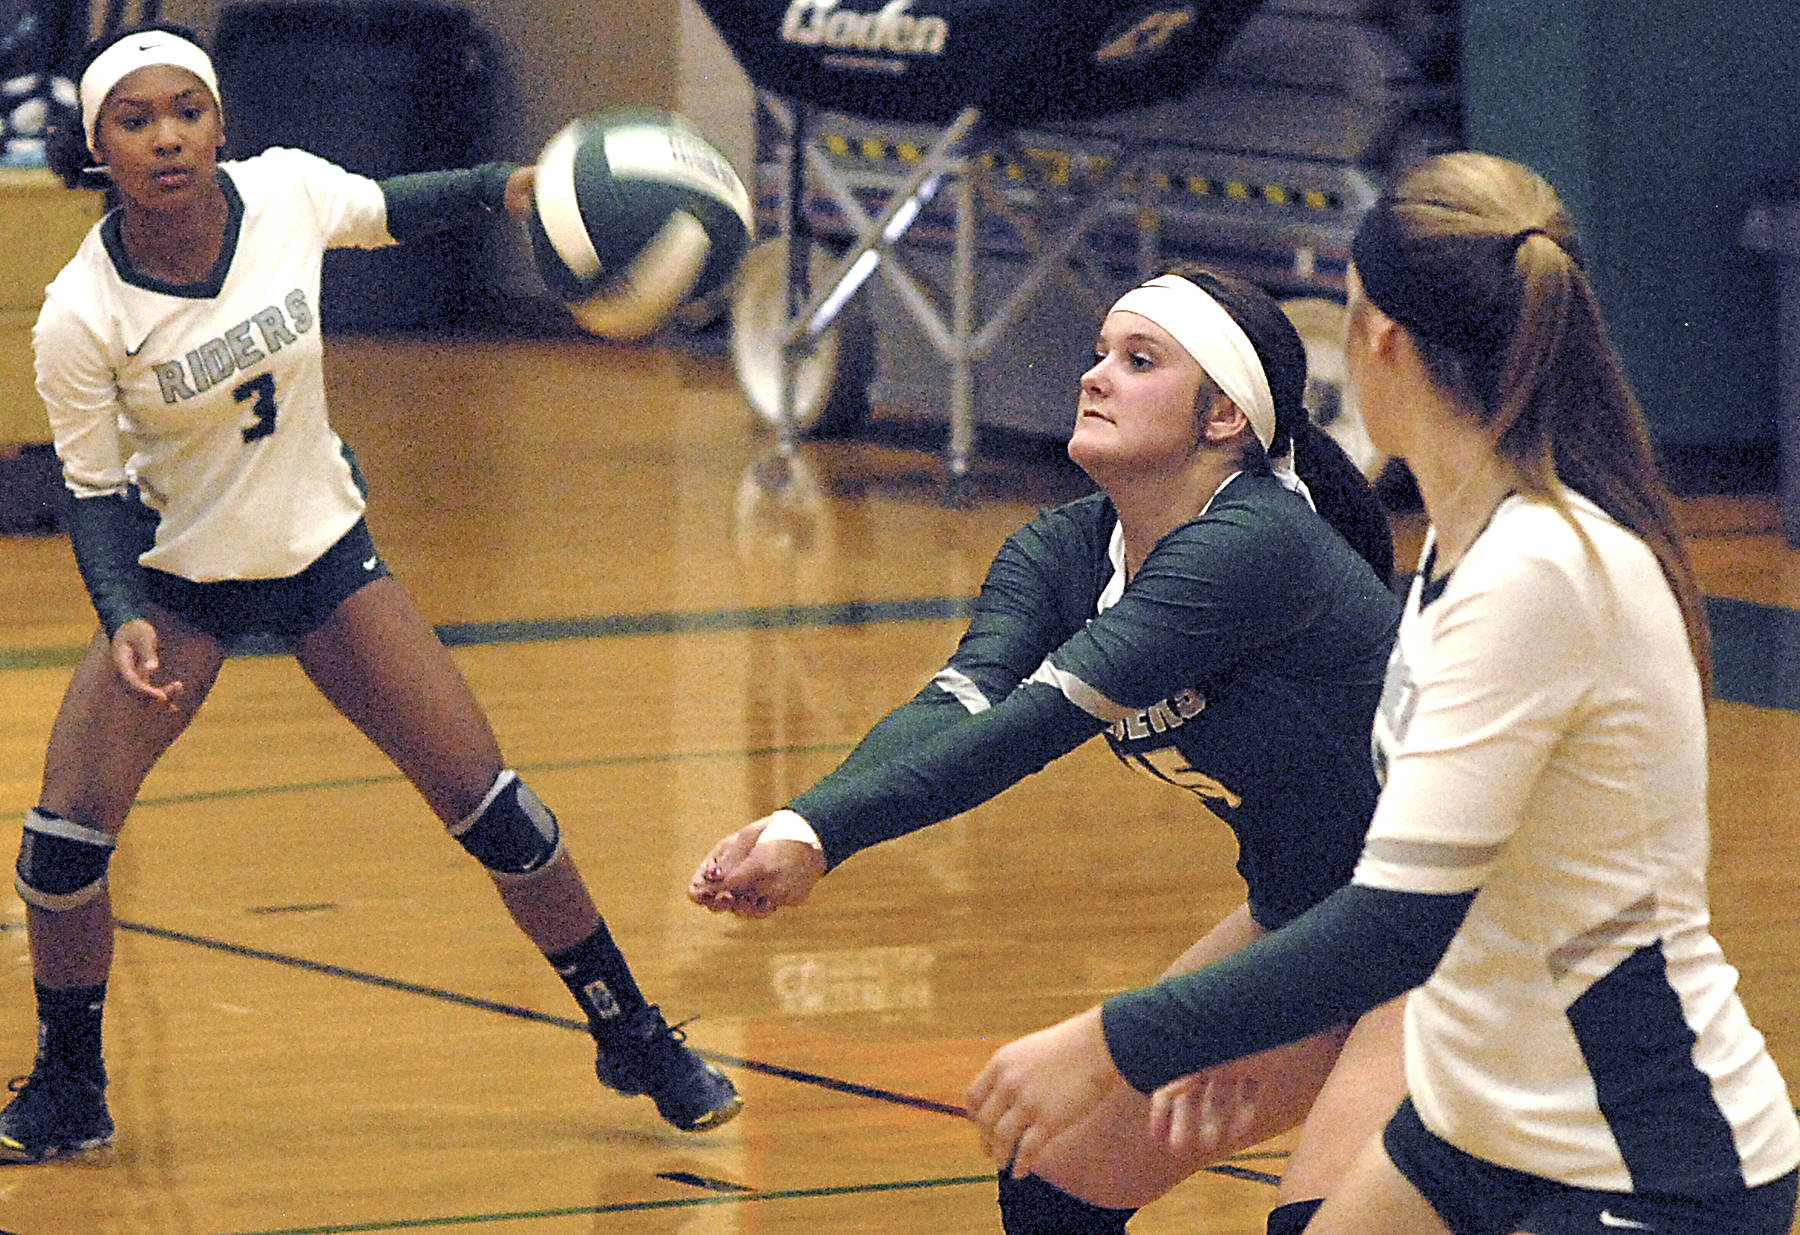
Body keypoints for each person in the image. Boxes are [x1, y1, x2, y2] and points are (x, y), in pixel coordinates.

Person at [968, 151, 1800, 1235]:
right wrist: (1265, 1020)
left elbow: (1390, 929)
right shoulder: (1461, 546)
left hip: (1641, 1157)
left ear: (1383, 341)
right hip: (1473, 1126)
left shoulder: (1539, 571)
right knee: (1073, 1181)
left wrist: (1111, 1039)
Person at [0, 24, 743, 1165]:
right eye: (135, 120)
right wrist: (120, 611)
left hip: (320, 558)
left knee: (500, 812)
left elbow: (394, 204)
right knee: (60, 844)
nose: (167, 138)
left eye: (186, 111)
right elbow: (92, 491)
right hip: (179, 581)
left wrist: (521, 185)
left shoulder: (287, 194)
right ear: (96, 145)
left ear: (219, 122)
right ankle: (68, 1084)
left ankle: (631, 1034)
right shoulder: (80, 312)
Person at [691, 262, 1405, 1234]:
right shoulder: (1063, 551)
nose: (1095, 375)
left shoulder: (1257, 546)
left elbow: (1029, 724)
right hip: (1310, 913)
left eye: (1138, 359)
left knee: (1327, 1220)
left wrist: (831, 837)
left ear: (1225, 417)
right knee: (1059, 1173)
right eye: (1098, 352)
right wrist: (803, 823)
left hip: (1454, 928)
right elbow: (961, 702)